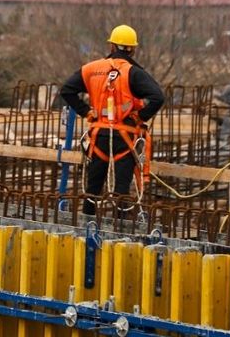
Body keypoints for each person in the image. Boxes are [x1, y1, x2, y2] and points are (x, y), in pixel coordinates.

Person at [59, 24, 165, 215]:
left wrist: (86, 112)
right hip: (124, 138)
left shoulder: (91, 69)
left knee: (92, 189)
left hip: (99, 135)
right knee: (121, 191)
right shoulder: (134, 72)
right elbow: (158, 97)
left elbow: (66, 90)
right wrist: (140, 116)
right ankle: (119, 231)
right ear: (132, 49)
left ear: (112, 47)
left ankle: (87, 227)